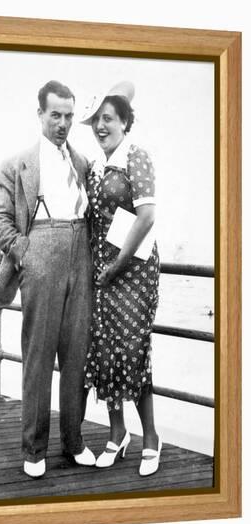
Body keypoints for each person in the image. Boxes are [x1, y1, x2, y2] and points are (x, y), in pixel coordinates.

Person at [0, 80, 95, 478]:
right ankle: (34, 449)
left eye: (69, 116)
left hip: (80, 253)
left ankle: (73, 441)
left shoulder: (82, 163)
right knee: (38, 357)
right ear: (40, 115)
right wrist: (25, 251)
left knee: (76, 356)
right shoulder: (16, 165)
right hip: (40, 255)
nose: (63, 123)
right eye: (56, 115)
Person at [81, 80, 162, 476]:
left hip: (134, 272)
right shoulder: (95, 165)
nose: (101, 126)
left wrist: (117, 265)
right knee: (104, 350)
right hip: (103, 271)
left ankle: (151, 437)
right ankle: (117, 433)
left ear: (125, 122)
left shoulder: (136, 156)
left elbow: (146, 217)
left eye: (108, 119)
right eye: (96, 120)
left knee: (132, 350)